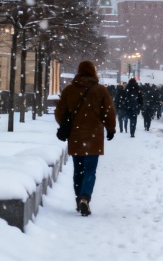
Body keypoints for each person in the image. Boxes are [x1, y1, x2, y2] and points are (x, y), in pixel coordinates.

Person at [54, 61, 116, 217]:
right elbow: (109, 111)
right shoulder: (100, 91)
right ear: (93, 72)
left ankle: (78, 198)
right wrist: (110, 128)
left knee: (78, 170)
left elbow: (59, 111)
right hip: (93, 136)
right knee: (90, 170)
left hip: (75, 136)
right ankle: (85, 197)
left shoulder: (69, 90)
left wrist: (66, 125)